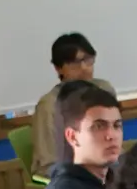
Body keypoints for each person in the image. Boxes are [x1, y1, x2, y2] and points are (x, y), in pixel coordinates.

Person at [30, 32, 112, 178]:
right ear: (58, 68)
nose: (84, 68)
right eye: (74, 63)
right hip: (69, 173)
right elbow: (48, 164)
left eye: (88, 60)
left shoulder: (104, 90)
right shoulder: (49, 105)